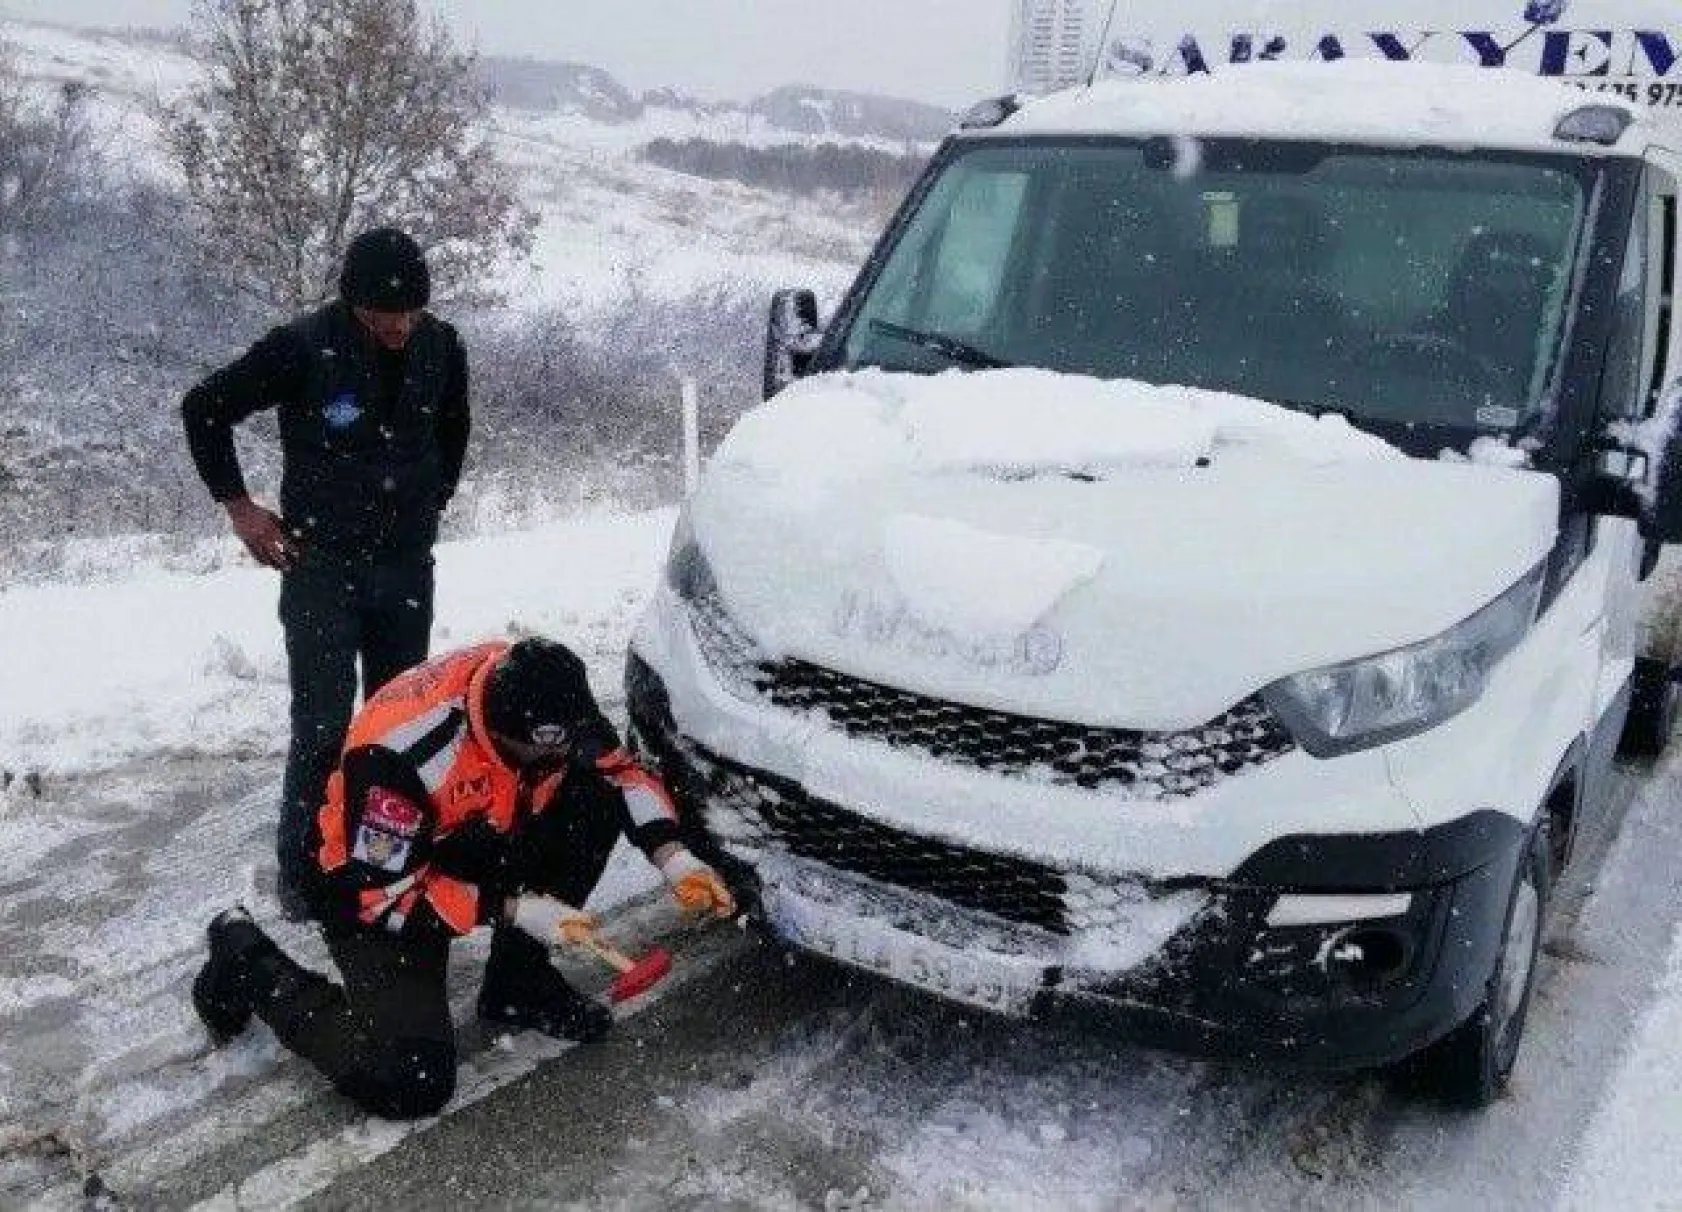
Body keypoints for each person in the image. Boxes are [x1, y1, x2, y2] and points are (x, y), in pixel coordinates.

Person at [191, 637, 737, 1120]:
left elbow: (617, 771)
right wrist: (512, 909)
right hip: (373, 882)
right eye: (544, 752)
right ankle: (245, 959)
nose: (560, 757)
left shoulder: (551, 699)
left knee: (592, 797)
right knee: (409, 1079)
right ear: (501, 732)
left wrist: (673, 857)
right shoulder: (399, 756)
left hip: (480, 834)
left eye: (564, 745)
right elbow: (383, 899)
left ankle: (517, 984)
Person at [181, 228, 470, 920]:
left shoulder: (442, 345)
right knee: (322, 725)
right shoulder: (303, 346)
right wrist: (241, 508)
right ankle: (307, 869)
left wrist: (435, 494)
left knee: (398, 720)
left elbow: (454, 426)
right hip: (323, 567)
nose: (398, 330)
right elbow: (205, 408)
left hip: (404, 566)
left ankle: (384, 855)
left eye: (409, 316)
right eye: (381, 318)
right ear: (353, 307)